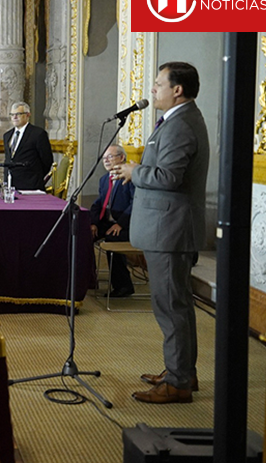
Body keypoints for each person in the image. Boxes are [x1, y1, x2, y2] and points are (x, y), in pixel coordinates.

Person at [112, 61, 209, 405]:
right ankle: (180, 371)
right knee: (172, 305)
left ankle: (180, 381)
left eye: (158, 84)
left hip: (171, 231)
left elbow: (169, 178)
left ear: (177, 90)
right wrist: (135, 172)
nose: (153, 89)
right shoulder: (176, 120)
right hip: (165, 228)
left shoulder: (181, 125)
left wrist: (135, 171)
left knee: (171, 306)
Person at [89, 145, 136, 297]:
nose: (106, 161)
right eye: (104, 158)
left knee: (111, 238)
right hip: (108, 223)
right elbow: (98, 204)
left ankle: (124, 286)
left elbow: (136, 203)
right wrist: (94, 223)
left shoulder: (131, 178)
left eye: (110, 157)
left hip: (128, 226)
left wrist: (121, 223)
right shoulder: (104, 179)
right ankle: (89, 278)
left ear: (122, 157)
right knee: (83, 233)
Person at [2, 102, 53, 191]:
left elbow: (47, 160)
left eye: (18, 114)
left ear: (28, 115)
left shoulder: (38, 134)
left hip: (31, 186)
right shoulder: (7, 135)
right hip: (10, 186)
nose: (14, 117)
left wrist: (35, 177)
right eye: (12, 114)